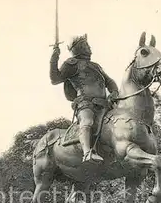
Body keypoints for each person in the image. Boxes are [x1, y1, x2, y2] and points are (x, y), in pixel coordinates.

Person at [50, 34, 119, 162]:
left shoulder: (96, 66)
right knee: (87, 122)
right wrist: (54, 58)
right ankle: (87, 152)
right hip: (86, 103)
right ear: (79, 47)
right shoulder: (71, 64)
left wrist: (114, 91)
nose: (89, 48)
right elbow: (55, 79)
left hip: (105, 103)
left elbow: (109, 81)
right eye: (86, 45)